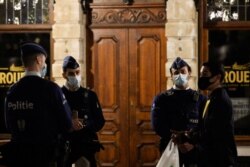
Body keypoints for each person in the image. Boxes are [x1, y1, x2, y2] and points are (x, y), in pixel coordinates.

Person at [4, 42, 72, 167]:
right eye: (44, 61)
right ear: (39, 60)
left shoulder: (12, 91)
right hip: (45, 156)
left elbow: (9, 125)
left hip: (19, 157)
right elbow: (67, 123)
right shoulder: (51, 89)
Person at [151, 57, 206, 167]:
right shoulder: (162, 99)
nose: (179, 75)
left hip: (193, 148)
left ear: (189, 73)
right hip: (170, 147)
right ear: (171, 76)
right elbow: (157, 125)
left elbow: (205, 125)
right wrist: (177, 140)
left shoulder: (201, 99)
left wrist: (192, 143)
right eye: (176, 73)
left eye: (182, 71)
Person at [61, 55, 105, 167]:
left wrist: (84, 124)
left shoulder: (90, 95)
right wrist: (69, 125)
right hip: (66, 148)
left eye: (77, 72)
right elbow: (52, 121)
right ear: (64, 75)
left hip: (86, 147)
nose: (75, 76)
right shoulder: (59, 95)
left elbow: (100, 121)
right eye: (71, 73)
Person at [196, 62, 238, 167]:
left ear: (217, 77)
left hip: (220, 159)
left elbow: (212, 132)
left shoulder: (220, 100)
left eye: (205, 74)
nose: (202, 77)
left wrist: (192, 142)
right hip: (211, 157)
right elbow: (203, 127)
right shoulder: (210, 98)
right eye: (201, 74)